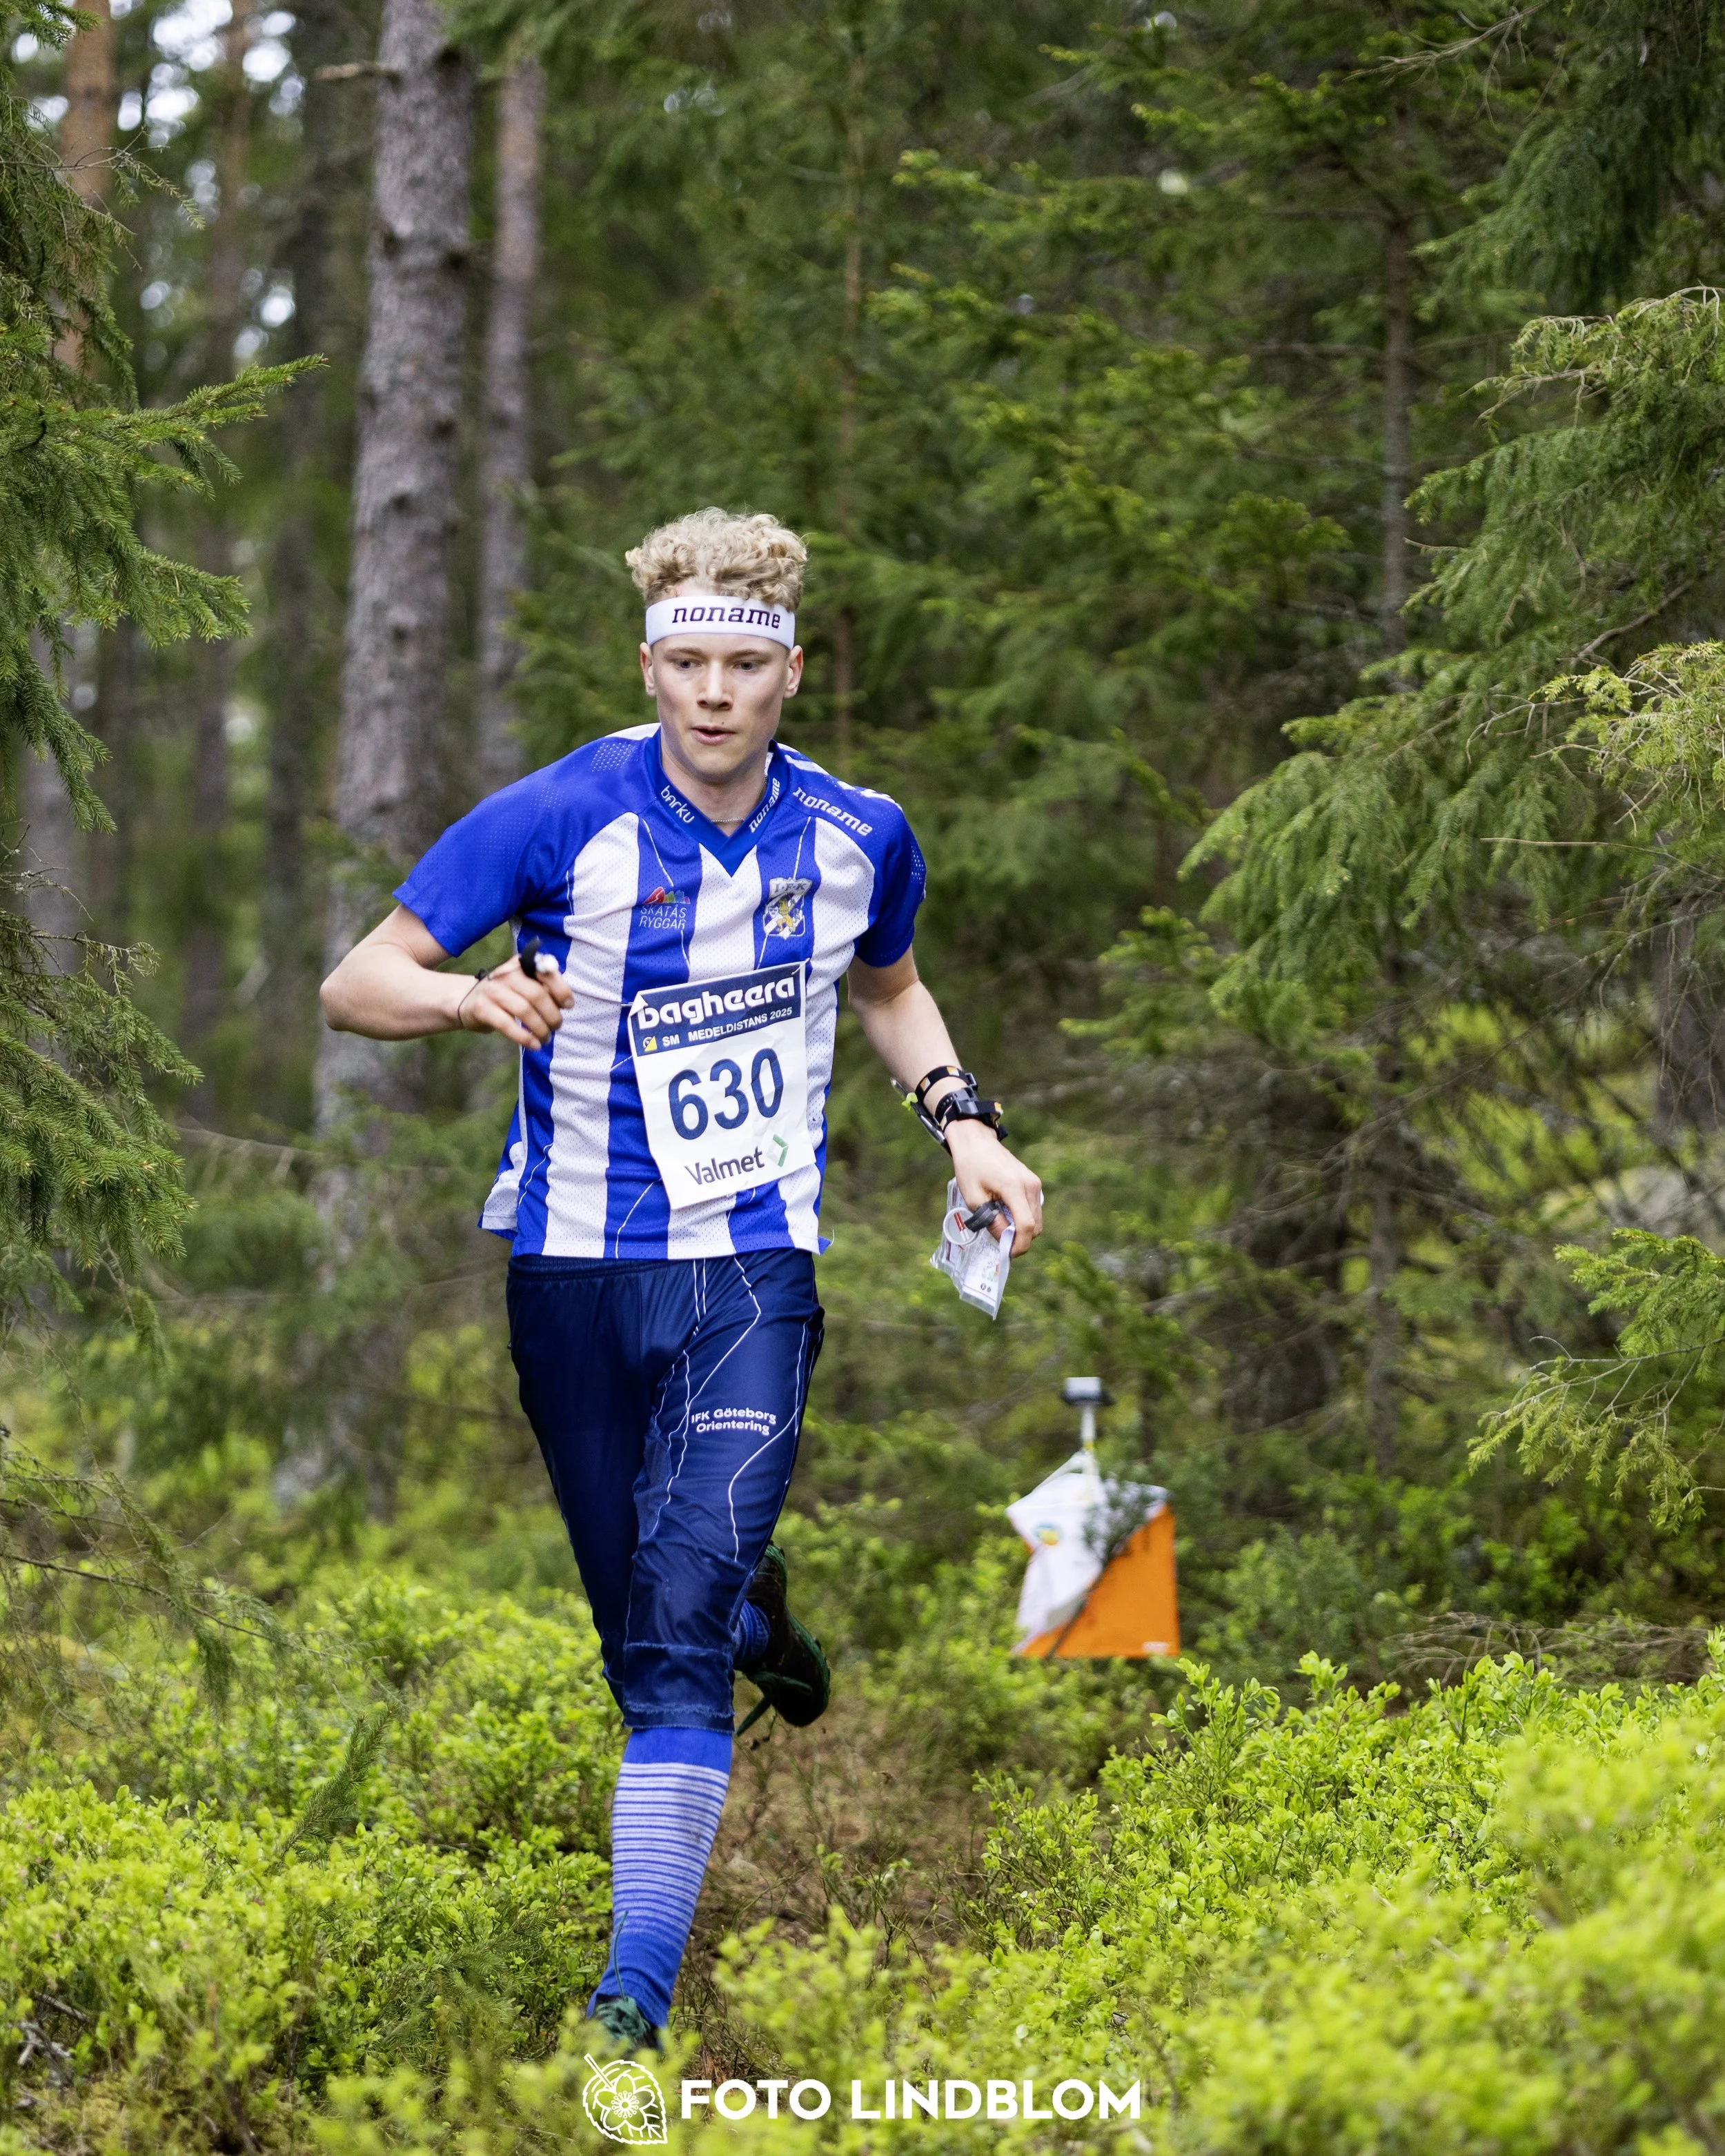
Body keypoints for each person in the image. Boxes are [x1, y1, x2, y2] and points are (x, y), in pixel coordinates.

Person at [319, 506, 1044, 2050]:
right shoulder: (551, 814)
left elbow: (893, 991)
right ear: (650, 665)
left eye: (745, 664)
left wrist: (965, 1128)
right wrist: (467, 1001)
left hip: (750, 1266)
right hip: (570, 1269)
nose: (714, 693)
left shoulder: (860, 833)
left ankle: (626, 2012)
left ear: (785, 676)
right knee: (652, 1625)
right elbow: (354, 982)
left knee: (666, 1659)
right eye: (687, 662)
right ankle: (750, 1624)